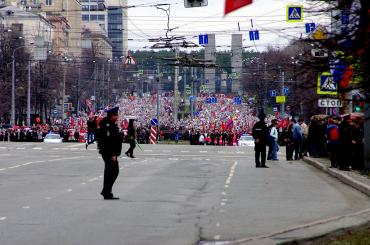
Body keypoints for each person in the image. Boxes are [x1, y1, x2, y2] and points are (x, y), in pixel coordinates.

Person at [97, 107, 122, 200]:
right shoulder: (108, 126)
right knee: (112, 172)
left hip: (110, 153)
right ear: (112, 116)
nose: (118, 117)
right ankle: (106, 191)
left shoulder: (111, 124)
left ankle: (107, 191)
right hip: (109, 153)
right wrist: (113, 154)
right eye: (116, 115)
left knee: (111, 172)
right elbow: (109, 142)